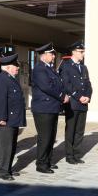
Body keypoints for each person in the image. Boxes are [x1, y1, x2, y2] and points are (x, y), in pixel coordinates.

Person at [31, 43, 65, 173]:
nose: (54, 56)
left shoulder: (49, 68)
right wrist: (62, 96)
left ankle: (48, 161)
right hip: (43, 109)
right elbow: (46, 87)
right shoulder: (39, 69)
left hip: (52, 107)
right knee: (44, 137)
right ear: (44, 55)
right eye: (51, 54)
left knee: (51, 137)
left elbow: (58, 84)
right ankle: (41, 164)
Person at [0, 53, 26, 180]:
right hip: (4, 120)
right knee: (5, 147)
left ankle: (8, 168)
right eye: (15, 65)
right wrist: (1, 118)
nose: (18, 67)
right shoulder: (2, 79)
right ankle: (3, 172)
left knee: (11, 146)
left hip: (12, 119)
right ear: (7, 67)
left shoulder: (10, 78)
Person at [59, 40, 92, 165]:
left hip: (83, 103)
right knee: (71, 130)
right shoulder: (66, 66)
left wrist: (88, 96)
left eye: (83, 51)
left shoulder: (83, 67)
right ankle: (69, 155)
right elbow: (66, 85)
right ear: (74, 52)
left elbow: (88, 84)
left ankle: (77, 154)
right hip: (73, 103)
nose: (83, 54)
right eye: (81, 51)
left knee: (80, 130)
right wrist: (79, 97)